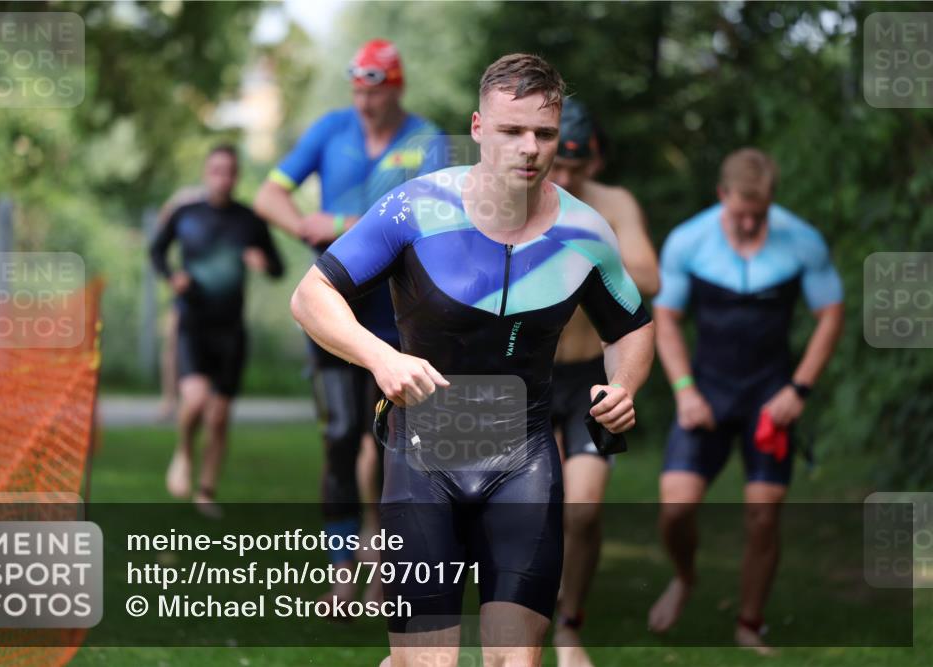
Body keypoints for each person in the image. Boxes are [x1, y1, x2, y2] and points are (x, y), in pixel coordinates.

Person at [290, 54, 655, 667]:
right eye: (513, 131)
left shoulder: (586, 233)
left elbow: (633, 325)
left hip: (525, 463)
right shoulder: (416, 208)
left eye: (544, 133)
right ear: (479, 128)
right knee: (423, 663)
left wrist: (623, 384)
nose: (531, 148)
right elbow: (311, 296)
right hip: (424, 457)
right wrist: (381, 357)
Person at [255, 39, 449, 605]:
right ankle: (343, 564)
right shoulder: (329, 129)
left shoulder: (426, 139)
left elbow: (433, 214)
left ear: (397, 88)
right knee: (340, 438)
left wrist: (336, 221)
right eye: (358, 92)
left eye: (376, 92)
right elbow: (269, 195)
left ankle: (389, 558)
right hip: (334, 313)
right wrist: (301, 227)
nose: (365, 103)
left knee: (396, 443)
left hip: (400, 316)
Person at [647, 148, 844, 651]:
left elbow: (831, 314)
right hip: (707, 389)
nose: (752, 222)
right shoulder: (689, 240)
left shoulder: (801, 240)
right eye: (741, 213)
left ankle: (749, 623)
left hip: (769, 392)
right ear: (722, 196)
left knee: (763, 514)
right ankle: (685, 577)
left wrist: (798, 389)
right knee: (675, 509)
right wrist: (685, 390)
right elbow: (665, 318)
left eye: (762, 213)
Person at [546, 98, 660, 667]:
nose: (565, 179)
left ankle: (570, 627)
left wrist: (585, 248)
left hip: (591, 377)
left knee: (583, 508)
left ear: (593, 160)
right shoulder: (520, 198)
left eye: (576, 167)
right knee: (526, 508)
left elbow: (649, 275)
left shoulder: (613, 204)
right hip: (528, 375)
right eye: (556, 165)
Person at [150, 144, 285, 518]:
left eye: (229, 171)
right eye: (216, 170)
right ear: (206, 172)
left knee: (220, 416)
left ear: (236, 175)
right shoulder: (185, 214)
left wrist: (262, 262)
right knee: (193, 402)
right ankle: (183, 452)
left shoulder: (249, 220)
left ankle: (206, 491)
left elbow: (278, 267)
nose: (222, 177)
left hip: (231, 330)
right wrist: (171, 276)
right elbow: (157, 251)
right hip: (193, 323)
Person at [153, 185, 208, 422]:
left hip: (214, 296)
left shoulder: (208, 206)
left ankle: (200, 399)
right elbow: (163, 230)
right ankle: (169, 399)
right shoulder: (184, 202)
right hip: (186, 293)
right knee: (173, 344)